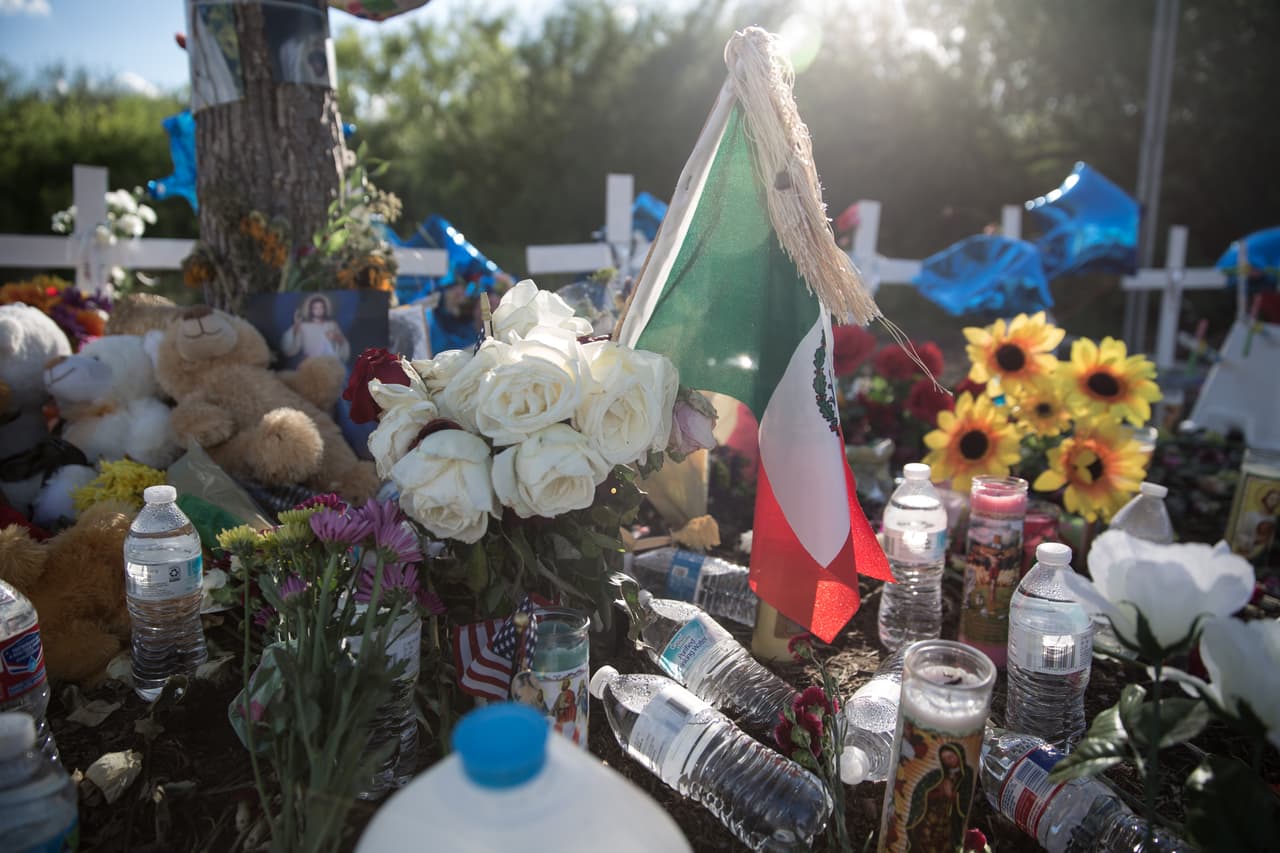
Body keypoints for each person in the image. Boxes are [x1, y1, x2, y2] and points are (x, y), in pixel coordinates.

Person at [904, 742, 975, 852]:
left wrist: (952, 795)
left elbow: (965, 798)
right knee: (924, 834)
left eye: (950, 757)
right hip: (934, 811)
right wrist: (937, 792)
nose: (948, 761)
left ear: (959, 755)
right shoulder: (940, 774)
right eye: (945, 759)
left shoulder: (967, 774)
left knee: (944, 840)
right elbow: (926, 791)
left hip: (951, 817)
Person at [280, 294, 350, 364]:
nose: (319, 310)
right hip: (311, 363)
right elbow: (290, 348)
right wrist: (296, 326)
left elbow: (343, 343)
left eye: (321, 307)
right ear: (310, 310)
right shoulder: (303, 326)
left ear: (325, 309)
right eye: (315, 308)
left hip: (330, 362)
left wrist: (336, 337)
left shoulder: (332, 324)